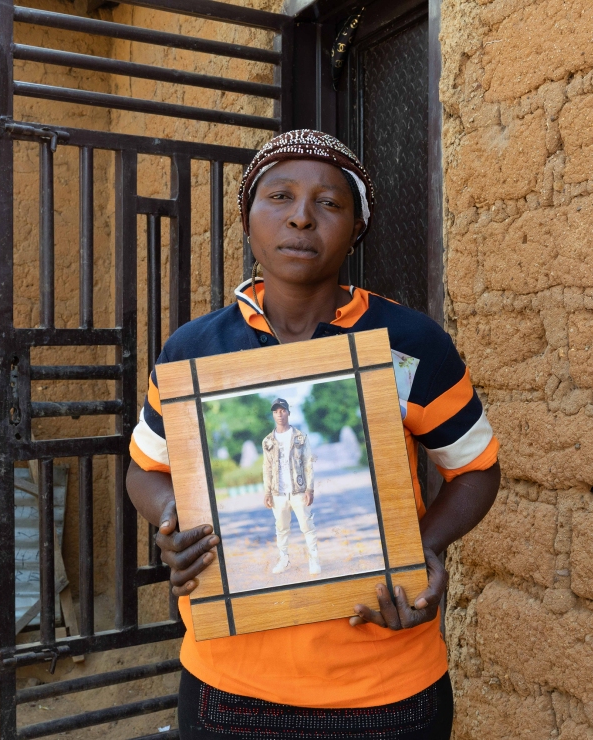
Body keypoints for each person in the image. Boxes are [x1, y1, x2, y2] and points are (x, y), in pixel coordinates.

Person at [126, 129, 500, 740]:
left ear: (355, 228)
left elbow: (477, 468)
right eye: (279, 197)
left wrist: (420, 548)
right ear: (247, 218)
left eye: (329, 203)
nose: (301, 218)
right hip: (230, 689)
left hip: (387, 686)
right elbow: (145, 468)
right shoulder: (195, 350)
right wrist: (177, 515)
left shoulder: (408, 343)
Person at [261, 398, 320, 576]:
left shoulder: (300, 437)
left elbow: (308, 463)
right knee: (281, 528)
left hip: (299, 490)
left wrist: (310, 489)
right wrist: (267, 492)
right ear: (273, 414)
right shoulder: (268, 441)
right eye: (276, 411)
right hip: (278, 493)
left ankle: (313, 560)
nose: (279, 414)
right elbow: (267, 467)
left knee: (307, 526)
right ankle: (284, 559)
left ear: (288, 412)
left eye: (283, 410)